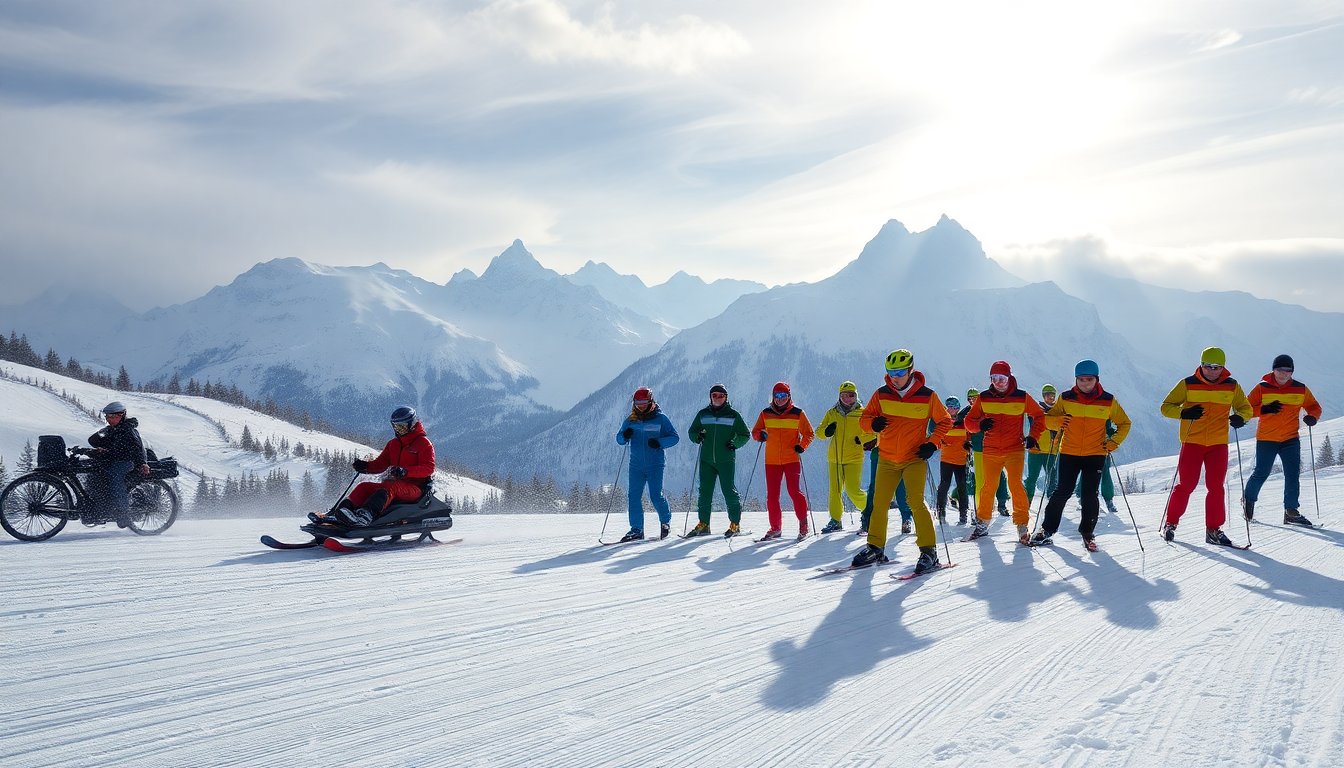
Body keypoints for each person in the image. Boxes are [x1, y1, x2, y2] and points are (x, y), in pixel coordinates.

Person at [854, 349, 952, 573]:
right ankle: (875, 547)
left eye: (899, 372)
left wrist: (932, 443)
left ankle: (929, 551)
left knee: (915, 502)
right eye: (891, 372)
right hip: (887, 458)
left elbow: (945, 421)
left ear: (910, 370)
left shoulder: (927, 396)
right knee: (879, 503)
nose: (894, 377)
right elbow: (864, 419)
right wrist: (872, 425)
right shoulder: (881, 394)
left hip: (913, 459)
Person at [1158, 347, 1252, 545]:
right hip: (1192, 442)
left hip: (1218, 444)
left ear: (1223, 367)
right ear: (1200, 364)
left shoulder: (1232, 386)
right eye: (1207, 366)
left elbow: (1245, 408)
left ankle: (1213, 529)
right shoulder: (1187, 384)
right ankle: (1170, 523)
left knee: (1216, 487)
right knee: (1186, 485)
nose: (1211, 370)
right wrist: (1184, 413)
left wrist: (1240, 418)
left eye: (1216, 367)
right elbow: (1166, 407)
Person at [1035, 360, 1131, 551]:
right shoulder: (1065, 398)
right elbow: (1048, 420)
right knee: (1062, 491)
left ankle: (1088, 533)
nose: (1085, 383)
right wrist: (1058, 421)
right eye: (1081, 379)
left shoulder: (1108, 401)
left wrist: (1113, 442)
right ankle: (1046, 530)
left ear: (1097, 379)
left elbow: (1125, 423)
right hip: (1069, 452)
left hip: (1095, 454)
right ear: (1076, 379)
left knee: (1089, 495)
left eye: (1089, 379)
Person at [966, 361, 1045, 544]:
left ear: (1009, 377)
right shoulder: (984, 398)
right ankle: (982, 523)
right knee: (988, 486)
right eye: (994, 378)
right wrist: (979, 425)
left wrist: (1033, 436)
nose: (998, 382)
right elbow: (969, 422)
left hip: (1014, 449)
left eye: (1002, 378)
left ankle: (1022, 525)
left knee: (1015, 484)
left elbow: (1039, 416)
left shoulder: (1021, 397)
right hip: (991, 450)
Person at [1243, 354, 1323, 527]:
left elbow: (1314, 406)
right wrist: (1264, 409)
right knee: (1261, 473)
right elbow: (1246, 409)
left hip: (1290, 439)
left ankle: (1291, 511)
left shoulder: (1300, 389)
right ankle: (1248, 501)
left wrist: (1312, 417)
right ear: (1274, 369)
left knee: (1292, 474)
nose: (1284, 373)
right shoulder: (1262, 388)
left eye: (1288, 370)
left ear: (1292, 372)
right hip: (1266, 438)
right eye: (1280, 370)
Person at [330, 406, 436, 527]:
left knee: (391, 486)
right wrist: (366, 466)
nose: (399, 430)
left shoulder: (423, 443)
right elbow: (381, 464)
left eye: (402, 426)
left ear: (412, 424)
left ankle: (365, 516)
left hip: (415, 488)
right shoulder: (393, 444)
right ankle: (341, 513)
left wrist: (405, 471)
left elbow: (428, 468)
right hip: (393, 485)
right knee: (364, 487)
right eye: (396, 426)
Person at [751, 381, 815, 540]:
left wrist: (802, 446)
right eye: (777, 395)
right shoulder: (765, 413)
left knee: (794, 491)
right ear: (773, 397)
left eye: (783, 395)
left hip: (791, 459)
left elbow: (809, 433)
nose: (780, 399)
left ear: (789, 396)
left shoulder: (798, 413)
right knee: (772, 496)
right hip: (771, 461)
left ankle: (803, 525)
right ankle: (775, 528)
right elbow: (755, 431)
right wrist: (760, 435)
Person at [615, 387, 680, 542]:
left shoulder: (661, 419)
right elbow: (619, 439)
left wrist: (659, 442)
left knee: (656, 495)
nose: (641, 406)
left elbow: (674, 437)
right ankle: (636, 529)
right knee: (633, 496)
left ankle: (665, 522)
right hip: (635, 465)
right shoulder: (631, 420)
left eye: (644, 403)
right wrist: (624, 435)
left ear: (651, 401)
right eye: (638, 403)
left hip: (655, 464)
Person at [686, 384, 751, 537]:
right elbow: (692, 431)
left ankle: (735, 524)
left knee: (728, 490)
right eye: (714, 395)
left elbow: (745, 434)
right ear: (710, 397)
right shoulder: (703, 414)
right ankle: (704, 524)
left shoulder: (733, 415)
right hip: (706, 459)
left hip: (726, 459)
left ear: (726, 398)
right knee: (704, 492)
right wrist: (697, 437)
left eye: (721, 396)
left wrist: (735, 443)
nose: (717, 398)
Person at [816, 381, 875, 533]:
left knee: (852, 490)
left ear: (856, 396)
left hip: (854, 458)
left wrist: (861, 439)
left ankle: (870, 512)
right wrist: (826, 431)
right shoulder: (832, 413)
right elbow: (819, 432)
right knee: (835, 491)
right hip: (834, 458)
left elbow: (874, 434)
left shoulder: (863, 413)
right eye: (844, 395)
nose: (847, 398)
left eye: (851, 395)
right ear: (839, 396)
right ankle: (835, 520)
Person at [87, 401, 150, 527]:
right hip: (114, 459)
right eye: (107, 416)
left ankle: (123, 514)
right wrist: (102, 436)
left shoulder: (128, 430)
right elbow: (92, 440)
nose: (108, 419)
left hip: (127, 462)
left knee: (115, 478)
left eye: (111, 416)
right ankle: (99, 507)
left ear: (121, 415)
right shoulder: (113, 429)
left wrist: (142, 463)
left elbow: (137, 448)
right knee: (95, 474)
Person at [966, 387, 1011, 516]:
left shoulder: (988, 409)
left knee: (999, 476)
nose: (973, 401)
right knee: (979, 480)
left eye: (975, 398)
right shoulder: (966, 413)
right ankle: (981, 509)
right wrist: (966, 442)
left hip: (993, 448)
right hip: (978, 449)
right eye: (970, 399)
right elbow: (964, 428)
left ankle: (1001, 504)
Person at [934, 395, 970, 524]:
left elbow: (969, 436)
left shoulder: (964, 422)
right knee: (944, 485)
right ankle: (941, 511)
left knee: (962, 486)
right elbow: (937, 437)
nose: (952, 409)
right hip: (947, 459)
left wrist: (968, 444)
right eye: (950, 406)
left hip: (961, 460)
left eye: (955, 407)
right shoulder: (943, 421)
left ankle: (963, 513)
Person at [1024, 384, 1060, 506]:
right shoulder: (1037, 410)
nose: (1051, 397)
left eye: (1052, 395)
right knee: (1032, 478)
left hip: (1051, 450)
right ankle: (1027, 501)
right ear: (1044, 396)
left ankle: (1053, 502)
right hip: (1037, 449)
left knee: (1052, 478)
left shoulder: (1058, 411)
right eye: (1048, 395)